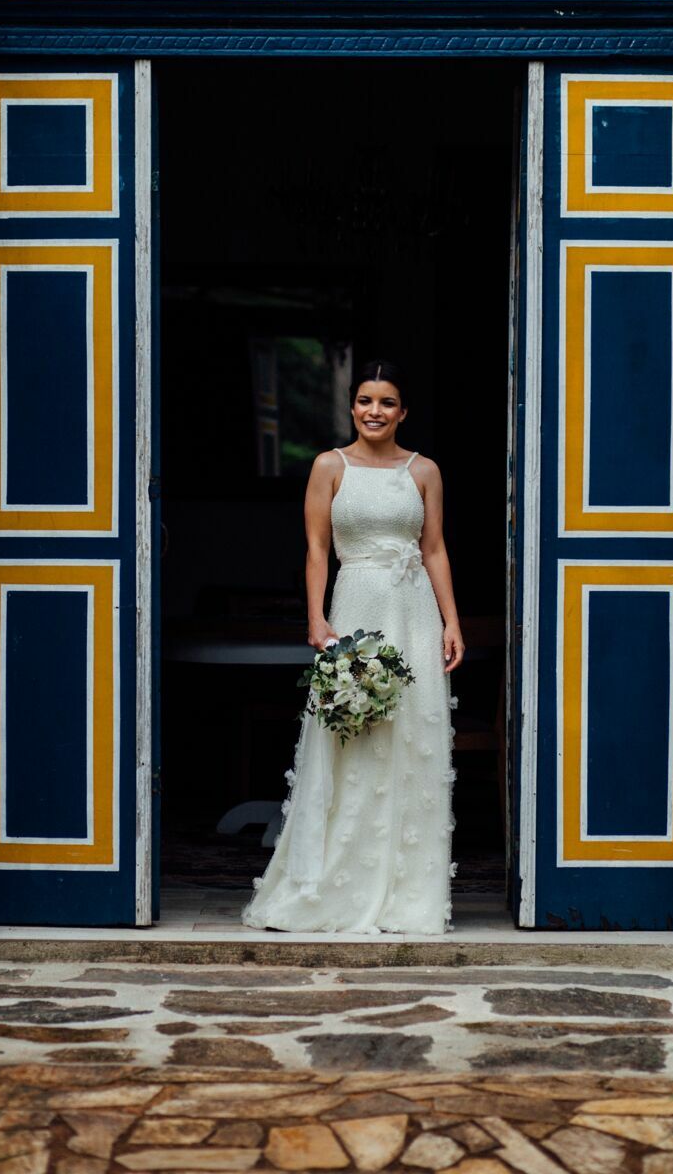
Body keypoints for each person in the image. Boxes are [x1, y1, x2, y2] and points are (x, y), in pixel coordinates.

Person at [242, 359, 465, 934]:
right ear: (351, 407)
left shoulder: (425, 471)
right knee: (351, 733)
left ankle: (407, 895)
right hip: (356, 606)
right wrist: (316, 618)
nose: (374, 411)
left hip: (412, 611)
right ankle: (333, 884)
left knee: (411, 735)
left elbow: (434, 548)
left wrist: (450, 621)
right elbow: (317, 549)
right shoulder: (328, 466)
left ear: (403, 412)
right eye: (365, 400)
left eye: (387, 402)